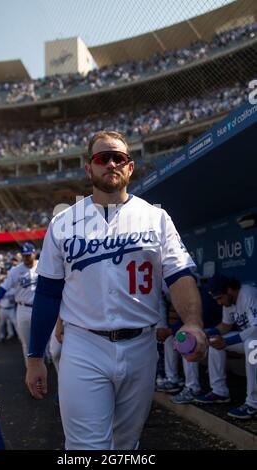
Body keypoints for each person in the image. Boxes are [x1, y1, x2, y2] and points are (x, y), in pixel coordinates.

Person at [26, 130, 207, 450]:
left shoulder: (156, 218)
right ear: (89, 169)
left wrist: (192, 322)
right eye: (101, 158)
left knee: (126, 443)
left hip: (141, 345)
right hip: (84, 345)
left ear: (130, 167)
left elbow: (180, 275)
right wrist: (35, 356)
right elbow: (48, 293)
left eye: (118, 158)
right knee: (86, 446)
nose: (110, 163)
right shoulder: (64, 222)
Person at [194, 274, 257, 419]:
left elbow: (256, 328)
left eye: (220, 298)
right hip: (248, 339)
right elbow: (226, 325)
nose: (219, 302)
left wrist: (227, 342)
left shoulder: (248, 294)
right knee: (215, 341)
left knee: (252, 345)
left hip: (253, 341)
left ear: (230, 290)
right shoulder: (228, 302)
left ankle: (253, 404)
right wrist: (210, 333)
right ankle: (219, 391)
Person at [0, 243, 38, 365]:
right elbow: (3, 288)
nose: (26, 258)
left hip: (41, 308)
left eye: (29, 255)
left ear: (34, 253)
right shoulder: (16, 271)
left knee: (46, 340)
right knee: (26, 343)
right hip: (23, 309)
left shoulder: (43, 266)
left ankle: (47, 360)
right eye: (24, 256)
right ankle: (30, 368)